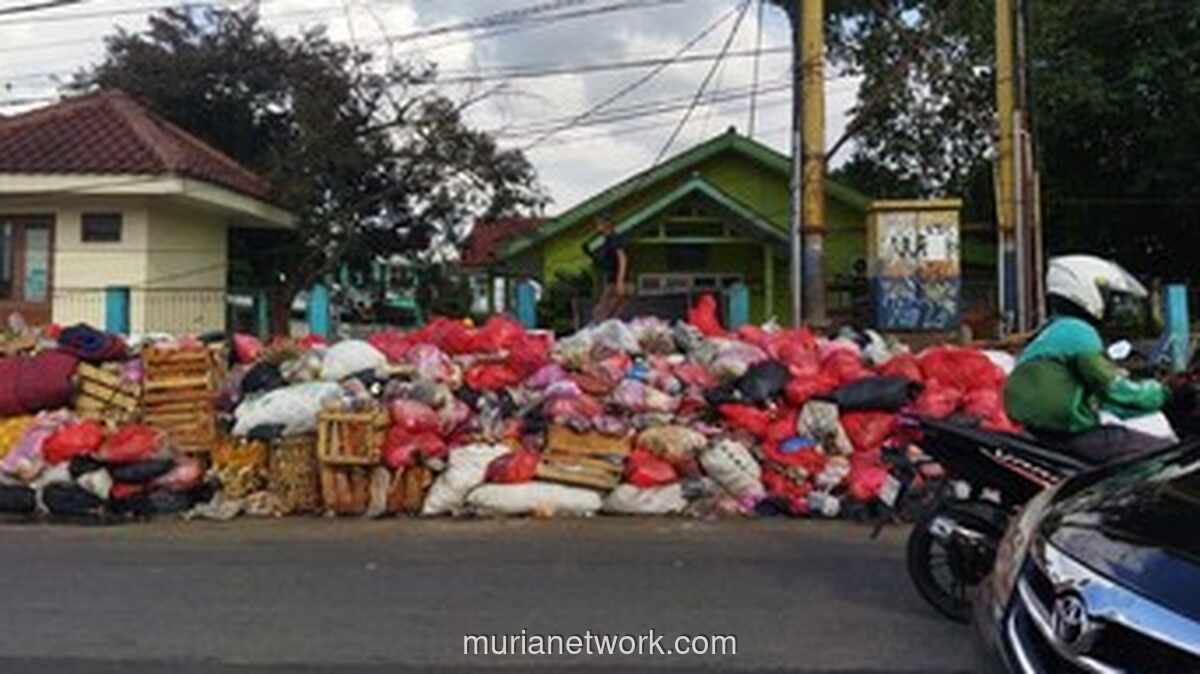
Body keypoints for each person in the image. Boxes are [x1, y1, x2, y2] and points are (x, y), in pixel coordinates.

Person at [1004, 255, 1177, 463]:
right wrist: (1165, 392)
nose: (1114, 305)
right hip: (1069, 435)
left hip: (1038, 432)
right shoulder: (1080, 331)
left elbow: (1102, 396)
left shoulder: (1051, 330)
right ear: (1086, 291)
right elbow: (1113, 388)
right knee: (1166, 454)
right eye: (1109, 296)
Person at [591, 219, 628, 322]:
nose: (597, 227)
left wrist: (620, 281)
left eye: (599, 224)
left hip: (615, 281)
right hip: (610, 280)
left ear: (606, 225)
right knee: (605, 312)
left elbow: (622, 258)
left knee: (602, 312)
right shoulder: (607, 240)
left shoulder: (614, 239)